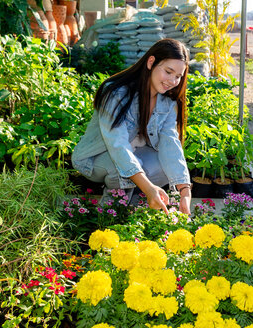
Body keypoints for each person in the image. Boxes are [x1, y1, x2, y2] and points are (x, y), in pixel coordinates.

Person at [72, 38, 192, 215]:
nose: (173, 81)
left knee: (166, 167)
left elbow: (170, 142)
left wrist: (185, 191)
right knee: (118, 169)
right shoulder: (115, 92)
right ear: (151, 62)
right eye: (168, 72)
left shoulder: (166, 101)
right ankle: (108, 212)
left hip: (133, 154)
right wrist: (149, 188)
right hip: (96, 158)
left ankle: (136, 202)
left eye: (178, 76)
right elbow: (117, 145)